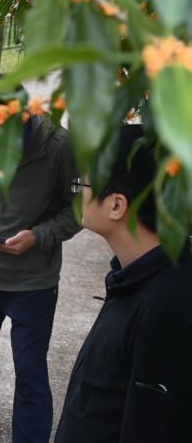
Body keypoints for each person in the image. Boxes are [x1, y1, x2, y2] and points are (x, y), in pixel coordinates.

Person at [0, 73, 80, 443]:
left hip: (31, 279)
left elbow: (79, 208)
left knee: (31, 370)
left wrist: (39, 236)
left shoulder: (57, 146)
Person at [55, 125, 192, 442]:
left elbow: (152, 427)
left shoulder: (166, 307)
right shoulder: (132, 276)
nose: (78, 193)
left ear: (117, 205)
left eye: (84, 184)